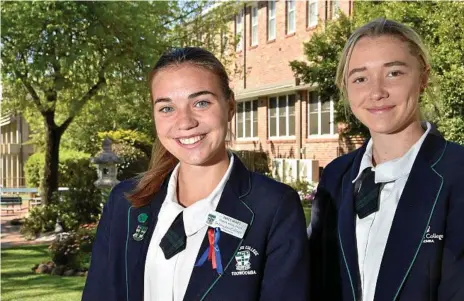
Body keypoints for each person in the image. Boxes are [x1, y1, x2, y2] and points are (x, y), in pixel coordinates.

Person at [82, 47, 309, 301]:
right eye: (167, 108)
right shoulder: (124, 203)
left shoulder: (274, 207)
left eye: (201, 103)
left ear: (230, 106)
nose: (185, 122)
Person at [308, 18, 464, 301]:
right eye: (360, 78)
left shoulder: (458, 173)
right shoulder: (336, 177)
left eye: (393, 73)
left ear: (423, 78)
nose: (377, 92)